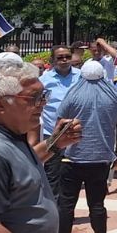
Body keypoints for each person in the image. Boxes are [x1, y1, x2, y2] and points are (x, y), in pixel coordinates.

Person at [0, 52, 82, 233]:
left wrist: (56, 142)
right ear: (1, 104)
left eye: (44, 96)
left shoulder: (12, 135)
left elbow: (22, 166)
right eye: (34, 98)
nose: (43, 104)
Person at [54, 61, 117, 233]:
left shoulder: (73, 93)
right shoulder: (114, 95)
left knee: (66, 205)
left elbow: (59, 122)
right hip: (100, 159)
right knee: (97, 204)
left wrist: (55, 149)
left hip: (72, 158)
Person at [39, 45, 82, 195]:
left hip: (77, 135)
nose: (64, 60)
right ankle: (54, 213)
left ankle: (66, 213)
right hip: (52, 134)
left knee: (73, 177)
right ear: (52, 60)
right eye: (60, 57)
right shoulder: (43, 80)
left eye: (67, 57)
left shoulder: (81, 77)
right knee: (53, 176)